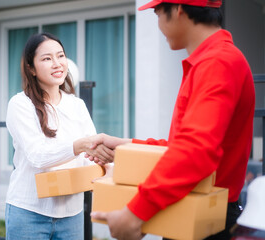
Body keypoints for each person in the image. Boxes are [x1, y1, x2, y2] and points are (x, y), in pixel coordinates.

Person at [89, 1, 255, 240]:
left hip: (206, 219)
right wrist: (126, 146)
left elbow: (195, 151)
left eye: (157, 14)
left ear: (178, 9)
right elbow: (183, 145)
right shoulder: (212, 60)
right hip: (196, 208)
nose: (158, 24)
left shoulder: (217, 63)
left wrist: (135, 213)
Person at [5, 32, 113, 240]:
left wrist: (111, 165)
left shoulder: (77, 105)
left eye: (60, 56)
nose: (57, 64)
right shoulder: (20, 105)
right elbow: (38, 156)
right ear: (31, 68)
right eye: (47, 59)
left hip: (72, 215)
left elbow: (92, 154)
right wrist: (80, 145)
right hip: (29, 212)